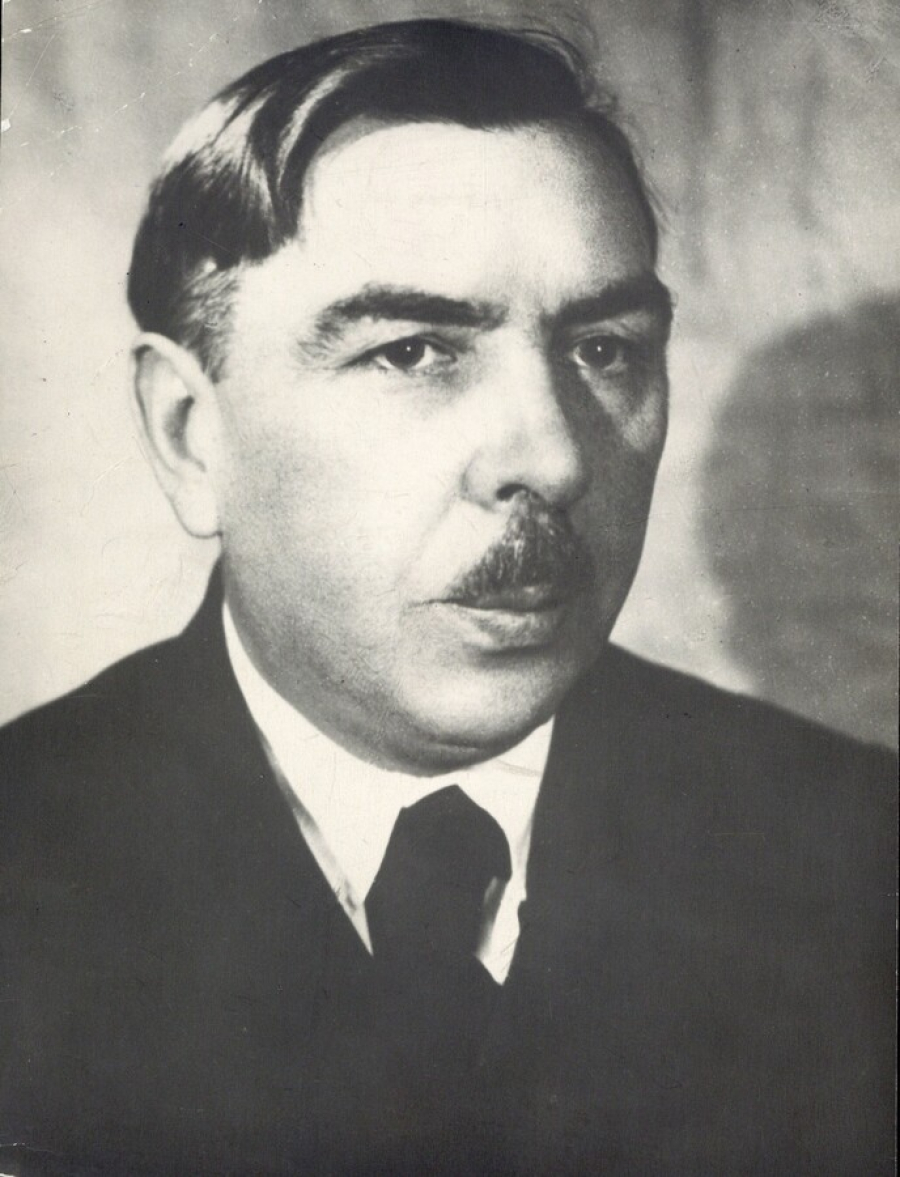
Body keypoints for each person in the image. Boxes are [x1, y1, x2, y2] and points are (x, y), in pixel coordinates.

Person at [0, 19, 894, 1176]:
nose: (553, 458)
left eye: (605, 348)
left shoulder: (856, 855)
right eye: (415, 351)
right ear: (189, 434)